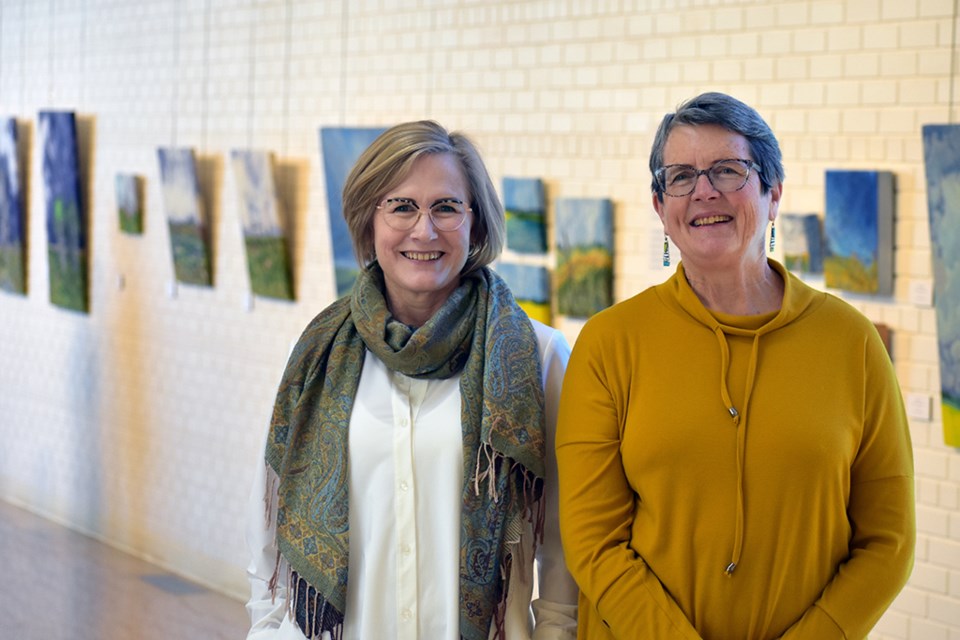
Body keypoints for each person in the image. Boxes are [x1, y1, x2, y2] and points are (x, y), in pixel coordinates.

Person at [556, 92, 915, 640]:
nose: (703, 191)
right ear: (660, 206)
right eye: (680, 176)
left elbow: (888, 541)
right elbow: (592, 539)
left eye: (727, 170)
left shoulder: (853, 344)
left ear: (773, 194)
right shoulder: (608, 344)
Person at [246, 120, 578, 640]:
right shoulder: (317, 354)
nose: (424, 231)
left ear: (477, 225)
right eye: (401, 206)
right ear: (368, 221)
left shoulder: (538, 356)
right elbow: (269, 538)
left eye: (446, 207)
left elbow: (563, 545)